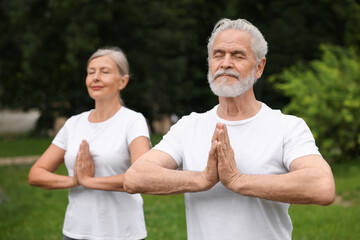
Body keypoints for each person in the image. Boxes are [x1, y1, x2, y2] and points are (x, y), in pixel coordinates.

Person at [123, 18, 336, 240]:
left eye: (237, 55)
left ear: (259, 67)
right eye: (218, 54)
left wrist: (237, 180)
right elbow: (135, 177)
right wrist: (202, 179)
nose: (225, 63)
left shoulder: (287, 127)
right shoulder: (189, 126)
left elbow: (322, 186)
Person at [29, 47, 150, 240]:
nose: (95, 77)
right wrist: (75, 180)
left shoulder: (133, 121)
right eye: (91, 72)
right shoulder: (74, 123)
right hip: (75, 232)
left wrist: (89, 182)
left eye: (105, 71)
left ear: (123, 81)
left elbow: (143, 177)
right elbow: (36, 174)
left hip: (122, 233)